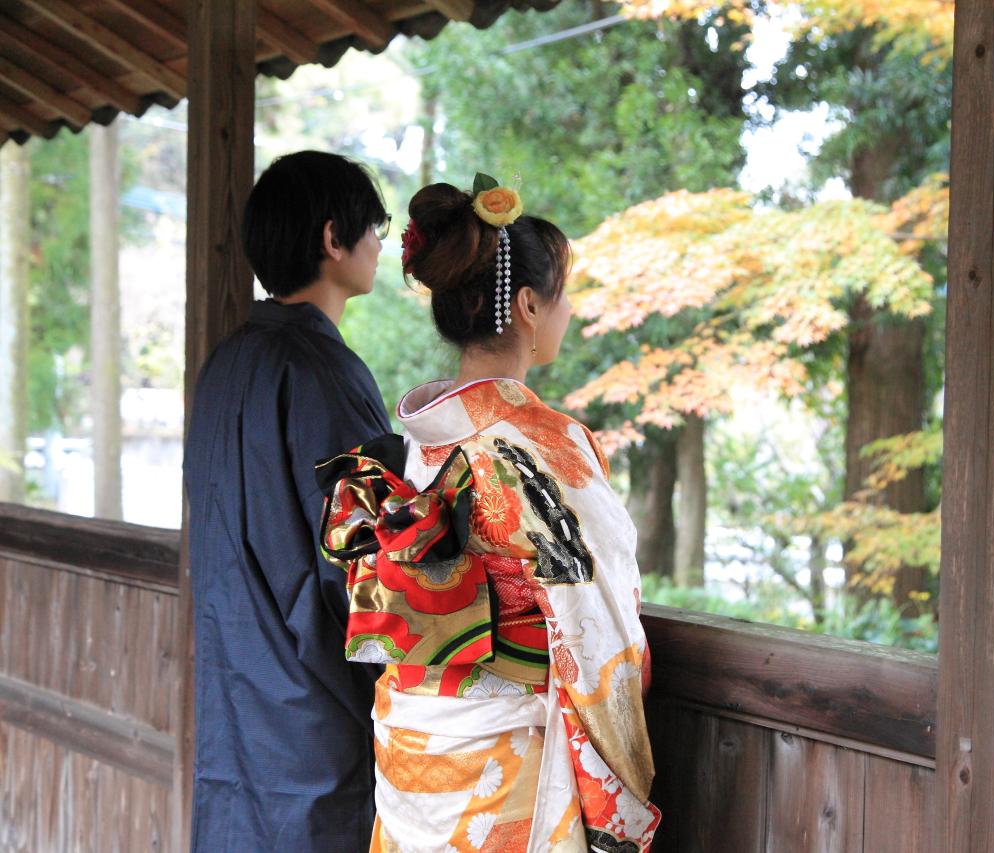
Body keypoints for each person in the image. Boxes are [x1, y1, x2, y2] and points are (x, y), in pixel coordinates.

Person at [315, 176, 661, 852]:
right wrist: (625, 801)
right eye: (564, 295)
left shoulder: (419, 442)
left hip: (412, 745)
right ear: (529, 305)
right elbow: (601, 628)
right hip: (503, 762)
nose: (568, 311)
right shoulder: (547, 447)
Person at [183, 150, 393, 851]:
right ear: (333, 240)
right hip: (310, 710)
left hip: (232, 696)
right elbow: (363, 560)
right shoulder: (324, 371)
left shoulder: (226, 362)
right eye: (375, 226)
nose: (381, 242)